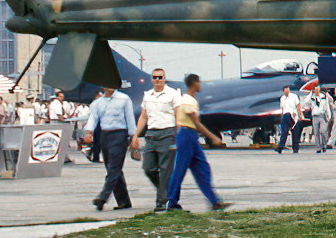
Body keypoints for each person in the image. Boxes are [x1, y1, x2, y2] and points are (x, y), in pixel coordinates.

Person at [166, 73, 230, 212]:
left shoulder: (189, 99)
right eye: (199, 82)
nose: (200, 85)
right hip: (186, 135)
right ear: (194, 84)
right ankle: (171, 201)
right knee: (180, 169)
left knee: (202, 168)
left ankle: (214, 201)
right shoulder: (188, 100)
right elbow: (196, 122)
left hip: (190, 136)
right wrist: (212, 137)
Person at [132, 68, 183, 212]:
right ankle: (167, 194)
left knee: (165, 169)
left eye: (160, 77)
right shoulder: (148, 95)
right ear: (152, 79)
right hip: (151, 133)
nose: (158, 80)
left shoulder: (173, 94)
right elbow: (144, 115)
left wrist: (178, 134)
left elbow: (178, 115)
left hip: (168, 132)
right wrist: (136, 134)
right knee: (148, 168)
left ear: (164, 78)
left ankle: (160, 202)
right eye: (155, 77)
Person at [83, 86, 136, 210]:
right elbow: (93, 118)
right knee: (113, 168)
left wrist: (134, 136)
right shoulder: (98, 103)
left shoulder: (124, 99)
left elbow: (130, 118)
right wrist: (88, 132)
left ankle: (103, 196)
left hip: (120, 134)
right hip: (105, 135)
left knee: (113, 168)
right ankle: (124, 201)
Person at [276, 85, 301, 153]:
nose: (287, 92)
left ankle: (295, 148)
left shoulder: (294, 96)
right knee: (284, 132)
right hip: (285, 115)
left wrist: (300, 115)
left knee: (295, 132)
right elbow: (282, 108)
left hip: (293, 115)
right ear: (284, 91)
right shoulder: (282, 98)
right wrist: (282, 116)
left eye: (288, 90)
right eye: (285, 91)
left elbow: (298, 105)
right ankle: (280, 147)